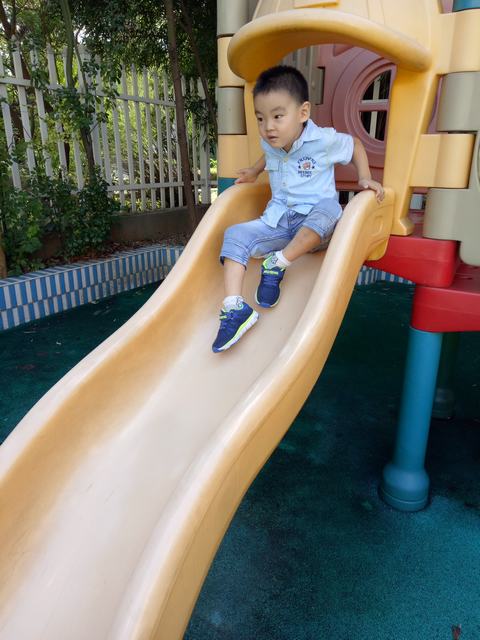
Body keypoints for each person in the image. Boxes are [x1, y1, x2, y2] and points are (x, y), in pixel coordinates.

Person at [212, 65, 384, 353]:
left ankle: (277, 263)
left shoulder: (322, 140)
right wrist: (254, 171)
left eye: (277, 116)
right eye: (260, 118)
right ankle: (235, 307)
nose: (268, 127)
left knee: (331, 207)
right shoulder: (272, 141)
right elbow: (267, 154)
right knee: (234, 235)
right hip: (280, 223)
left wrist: (363, 177)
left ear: (303, 113)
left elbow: (354, 145)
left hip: (317, 227)